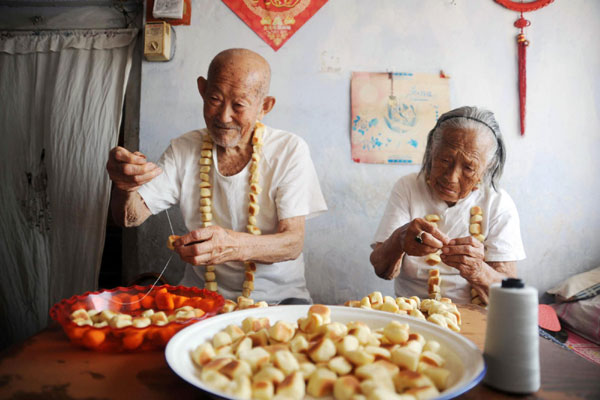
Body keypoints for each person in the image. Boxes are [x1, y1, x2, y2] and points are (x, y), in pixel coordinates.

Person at [106, 48, 327, 304]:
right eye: (214, 99)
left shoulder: (289, 150)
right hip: (201, 299)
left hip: (278, 300)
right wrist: (124, 187)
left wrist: (233, 246)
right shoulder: (183, 148)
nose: (223, 116)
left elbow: (292, 242)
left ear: (264, 107)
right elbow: (130, 217)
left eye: (239, 105)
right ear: (202, 89)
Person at [370, 106, 525, 304]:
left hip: (474, 317)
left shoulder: (498, 203)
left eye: (468, 167)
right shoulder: (408, 187)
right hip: (412, 314)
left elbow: (511, 294)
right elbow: (381, 269)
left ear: (487, 169)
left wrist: (478, 270)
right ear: (431, 152)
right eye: (444, 160)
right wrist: (399, 241)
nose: (451, 177)